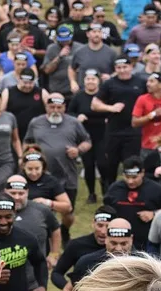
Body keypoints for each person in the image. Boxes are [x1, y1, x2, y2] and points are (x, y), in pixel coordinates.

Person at [24, 97, 90, 244]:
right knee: (42, 210)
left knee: (68, 212)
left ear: (64, 107)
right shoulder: (36, 122)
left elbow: (87, 141)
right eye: (52, 107)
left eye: (58, 107)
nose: (55, 110)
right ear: (46, 107)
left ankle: (64, 229)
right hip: (41, 176)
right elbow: (27, 142)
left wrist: (78, 150)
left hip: (68, 175)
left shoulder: (74, 123)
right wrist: (27, 156)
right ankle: (46, 236)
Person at [92, 55, 148, 187]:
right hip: (113, 132)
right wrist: (110, 108)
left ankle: (132, 192)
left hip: (134, 131)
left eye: (125, 67)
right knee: (110, 166)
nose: (122, 70)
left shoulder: (140, 82)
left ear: (131, 67)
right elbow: (94, 104)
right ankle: (109, 194)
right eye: (119, 68)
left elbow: (149, 100)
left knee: (131, 165)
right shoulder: (109, 84)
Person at [104, 156, 161, 250]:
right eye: (127, 177)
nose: (130, 181)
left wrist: (154, 214)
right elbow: (106, 210)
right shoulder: (114, 189)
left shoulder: (155, 189)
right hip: (119, 243)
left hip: (147, 242)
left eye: (134, 177)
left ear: (142, 173)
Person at [69, 69, 108, 203]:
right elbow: (69, 113)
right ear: (84, 81)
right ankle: (92, 193)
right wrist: (77, 117)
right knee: (89, 165)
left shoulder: (104, 95)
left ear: (98, 81)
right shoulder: (79, 96)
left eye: (93, 79)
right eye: (88, 79)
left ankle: (106, 191)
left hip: (102, 135)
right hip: (85, 136)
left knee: (103, 165)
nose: (90, 82)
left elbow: (112, 110)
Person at [51, 205, 114, 289]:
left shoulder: (121, 248)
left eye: (108, 227)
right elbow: (56, 273)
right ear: (93, 223)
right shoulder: (77, 245)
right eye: (100, 225)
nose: (103, 231)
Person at [19, 149, 74, 223]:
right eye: (30, 169)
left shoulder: (51, 181)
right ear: (23, 167)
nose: (34, 173)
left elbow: (68, 207)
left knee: (69, 215)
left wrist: (47, 202)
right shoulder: (17, 180)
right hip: (21, 217)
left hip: (44, 218)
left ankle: (64, 232)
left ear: (43, 167)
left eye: (37, 168)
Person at [1, 68, 46, 139]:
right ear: (19, 79)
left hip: (36, 133)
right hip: (15, 133)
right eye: (25, 83)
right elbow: (1, 112)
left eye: (30, 83)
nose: (27, 86)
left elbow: (49, 110)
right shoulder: (8, 92)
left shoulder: (42, 92)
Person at [71, 22, 117, 89]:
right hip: (83, 92)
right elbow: (71, 68)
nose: (97, 34)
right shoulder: (79, 52)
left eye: (99, 32)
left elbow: (118, 70)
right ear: (87, 34)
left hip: (104, 92)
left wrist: (111, 77)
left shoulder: (111, 53)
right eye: (94, 32)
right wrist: (73, 81)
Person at [40, 25, 81, 96]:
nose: (64, 42)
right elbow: (47, 70)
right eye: (62, 40)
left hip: (76, 90)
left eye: (67, 39)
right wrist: (59, 57)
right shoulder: (51, 48)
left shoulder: (80, 48)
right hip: (57, 90)